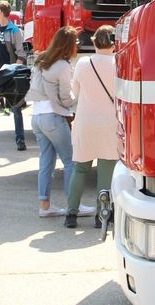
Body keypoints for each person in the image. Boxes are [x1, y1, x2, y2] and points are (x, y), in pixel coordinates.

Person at [27, 27, 85, 218]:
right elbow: (65, 98)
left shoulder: (41, 60)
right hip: (53, 117)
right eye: (75, 42)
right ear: (68, 45)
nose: (77, 45)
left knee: (46, 161)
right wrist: (79, 98)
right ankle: (73, 205)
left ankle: (44, 205)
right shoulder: (63, 66)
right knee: (71, 161)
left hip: (37, 116)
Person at [66, 25, 119, 229]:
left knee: (80, 169)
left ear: (94, 41)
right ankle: (101, 216)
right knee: (106, 172)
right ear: (114, 44)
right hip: (109, 122)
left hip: (85, 120)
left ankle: (71, 214)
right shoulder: (118, 64)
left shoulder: (82, 63)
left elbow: (75, 92)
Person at [0, 1, 29, 150]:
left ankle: (20, 140)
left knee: (16, 109)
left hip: (9, 78)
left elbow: (21, 55)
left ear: (1, 12)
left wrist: (11, 72)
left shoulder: (14, 31)